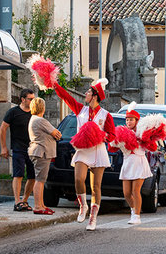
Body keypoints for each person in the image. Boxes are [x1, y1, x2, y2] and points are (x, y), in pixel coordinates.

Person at [54, 78, 115, 230]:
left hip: (98, 151)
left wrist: (99, 135)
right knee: (78, 179)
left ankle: (93, 218)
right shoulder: (80, 109)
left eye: (88, 92)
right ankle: (83, 206)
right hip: (82, 150)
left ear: (95, 96)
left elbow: (112, 135)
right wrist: (54, 83)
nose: (85, 94)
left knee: (96, 187)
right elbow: (66, 97)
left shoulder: (106, 115)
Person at [0, 88, 36, 211]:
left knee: (32, 176)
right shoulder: (13, 112)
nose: (32, 101)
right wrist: (4, 147)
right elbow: (3, 129)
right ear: (22, 99)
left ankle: (25, 200)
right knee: (18, 174)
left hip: (32, 149)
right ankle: (17, 201)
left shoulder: (35, 113)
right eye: (30, 99)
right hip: (18, 148)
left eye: (33, 99)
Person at [118, 103, 152, 225]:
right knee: (126, 193)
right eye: (127, 120)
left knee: (135, 191)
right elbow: (114, 147)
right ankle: (134, 210)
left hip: (139, 162)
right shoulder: (122, 132)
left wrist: (145, 139)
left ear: (137, 121)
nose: (129, 122)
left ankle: (137, 216)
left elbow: (152, 147)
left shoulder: (142, 133)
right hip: (127, 162)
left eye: (131, 119)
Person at [27, 97, 61, 215]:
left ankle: (41, 204)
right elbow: (56, 133)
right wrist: (56, 134)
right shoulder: (40, 120)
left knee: (40, 179)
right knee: (40, 180)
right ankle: (38, 206)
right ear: (42, 107)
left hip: (38, 151)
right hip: (42, 152)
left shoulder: (33, 119)